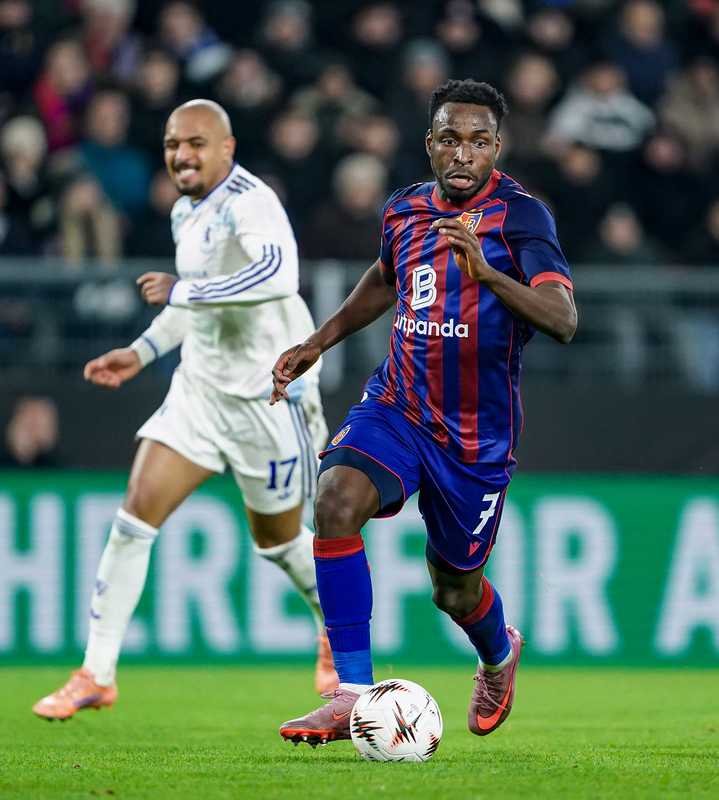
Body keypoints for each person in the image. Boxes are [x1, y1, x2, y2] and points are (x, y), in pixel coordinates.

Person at [272, 79, 577, 747]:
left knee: (454, 590)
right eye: (449, 139)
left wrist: (491, 275)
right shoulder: (404, 209)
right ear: (430, 144)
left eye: (477, 142)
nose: (462, 154)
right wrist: (317, 342)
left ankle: (498, 657)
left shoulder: (522, 217)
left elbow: (563, 319)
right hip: (398, 403)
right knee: (335, 501)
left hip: (475, 437)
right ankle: (351, 692)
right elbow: (386, 278)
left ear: (496, 148)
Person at [32, 99, 335, 720]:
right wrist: (140, 353)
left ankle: (334, 623)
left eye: (196, 143)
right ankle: (97, 672)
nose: (182, 155)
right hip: (199, 391)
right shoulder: (184, 212)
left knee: (278, 542)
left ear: (227, 148)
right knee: (133, 518)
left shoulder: (253, 203)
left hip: (270, 397)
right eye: (173, 144)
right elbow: (190, 307)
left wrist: (185, 289)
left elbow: (279, 275)